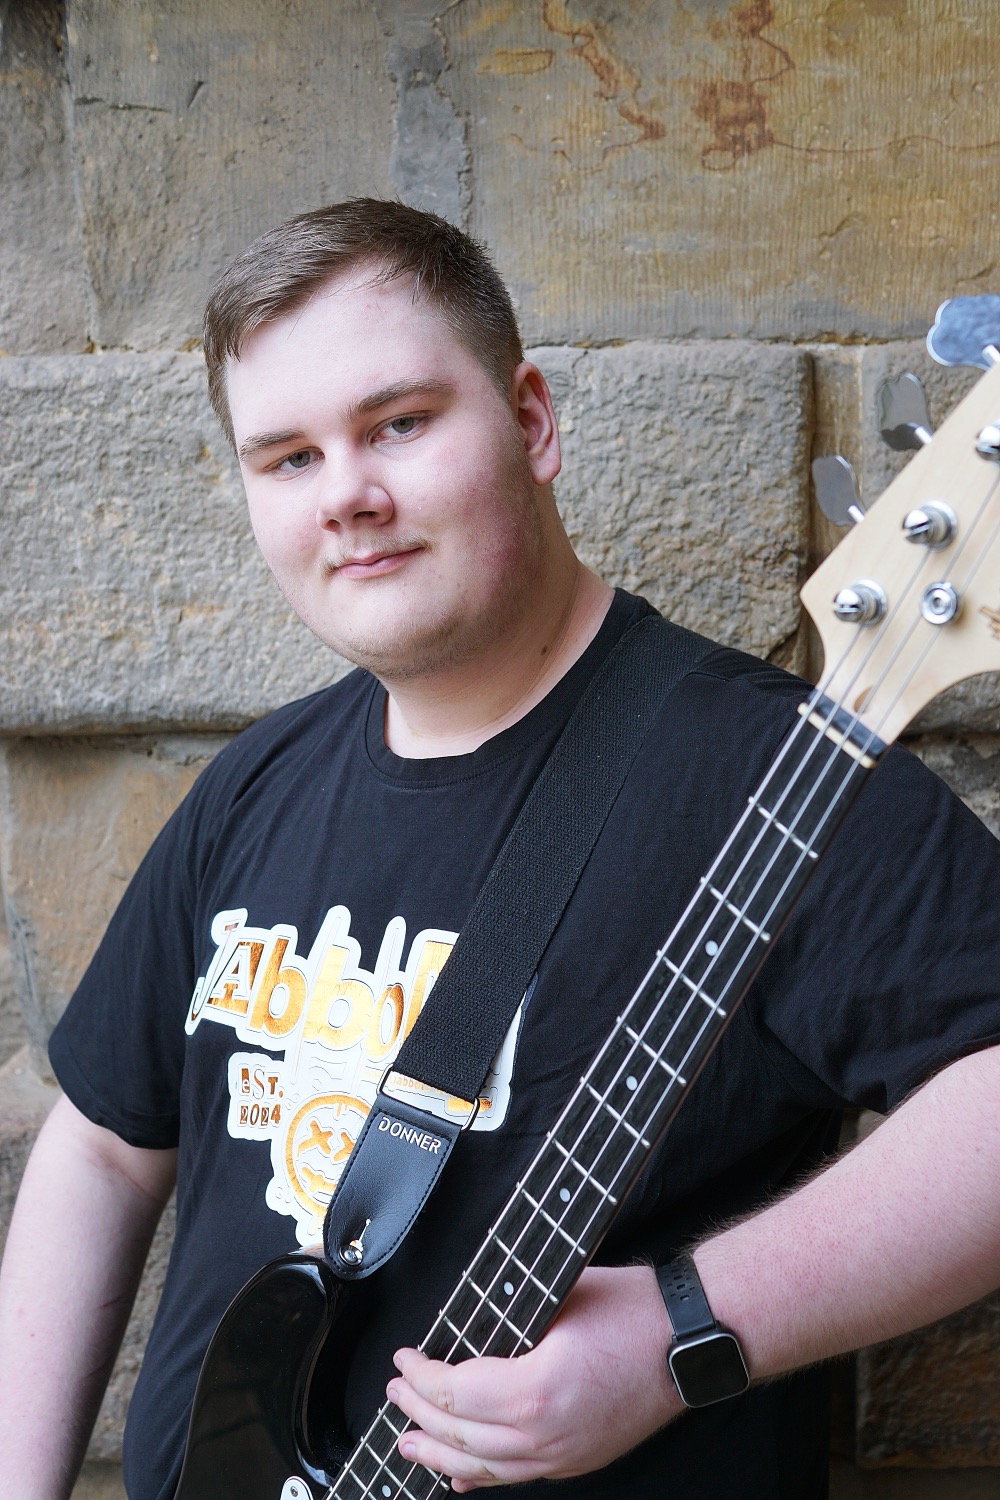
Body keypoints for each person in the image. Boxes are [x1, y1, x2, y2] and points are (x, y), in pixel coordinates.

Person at [1, 199, 999, 1500]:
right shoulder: (255, 786)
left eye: (398, 424)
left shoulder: (780, 784)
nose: (348, 496)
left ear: (530, 421)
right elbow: (98, 1147)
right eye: (287, 457)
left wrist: (682, 1333)